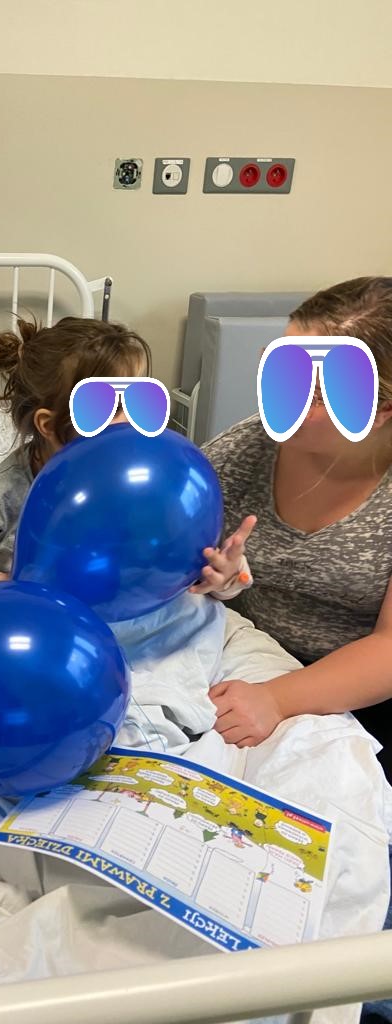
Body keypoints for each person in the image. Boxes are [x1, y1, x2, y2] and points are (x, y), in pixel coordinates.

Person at [200, 277, 392, 785]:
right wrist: (214, 578)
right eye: (280, 370)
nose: (279, 400)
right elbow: (184, 568)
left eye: (315, 391)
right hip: (242, 656)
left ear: (381, 411)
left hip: (362, 688)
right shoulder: (240, 454)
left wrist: (276, 698)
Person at [0, 315, 247, 604]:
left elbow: (188, 568)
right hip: (46, 614)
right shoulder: (4, 490)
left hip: (132, 612)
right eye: (107, 407)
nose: (129, 421)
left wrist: (224, 579)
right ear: (48, 425)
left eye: (139, 399)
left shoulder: (150, 481)